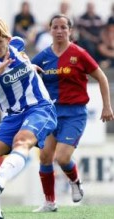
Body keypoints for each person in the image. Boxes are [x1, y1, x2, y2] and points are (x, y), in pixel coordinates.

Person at [0, 17, 57, 219]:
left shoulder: (17, 44)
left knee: (21, 140)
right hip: (12, 116)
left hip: (39, 108)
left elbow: (23, 55)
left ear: (8, 39)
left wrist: (30, 66)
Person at [31, 14, 114, 213]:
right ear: (50, 30)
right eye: (55, 27)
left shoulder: (80, 54)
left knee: (63, 157)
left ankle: (75, 181)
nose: (59, 31)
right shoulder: (43, 57)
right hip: (50, 113)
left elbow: (102, 78)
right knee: (44, 157)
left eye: (63, 27)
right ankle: (50, 203)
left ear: (70, 30)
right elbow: (27, 76)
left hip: (74, 113)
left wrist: (107, 106)